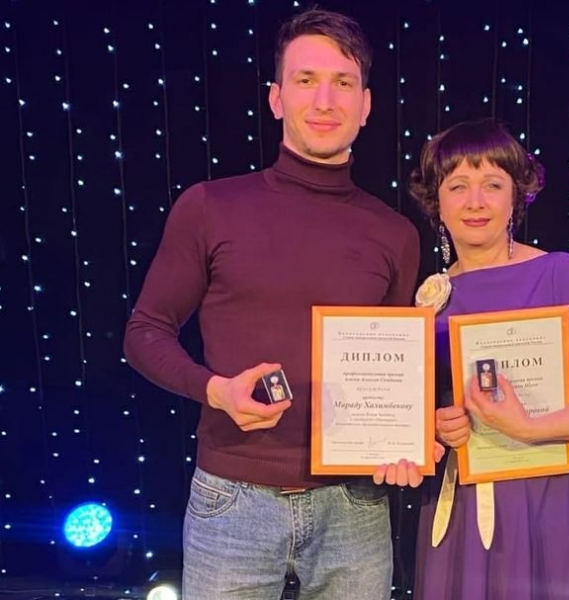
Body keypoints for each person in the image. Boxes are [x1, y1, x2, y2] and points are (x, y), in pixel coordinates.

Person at [123, 8, 421, 600]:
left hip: (355, 506)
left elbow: (397, 370)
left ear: (366, 104)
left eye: (343, 83)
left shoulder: (396, 234)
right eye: (306, 80)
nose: (325, 100)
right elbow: (145, 332)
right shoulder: (209, 207)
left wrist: (406, 442)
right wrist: (215, 390)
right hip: (232, 500)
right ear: (276, 98)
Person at [408, 119, 569, 600]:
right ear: (437, 202)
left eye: (493, 185)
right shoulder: (429, 300)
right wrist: (437, 426)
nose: (475, 202)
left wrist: (529, 428)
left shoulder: (557, 273)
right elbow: (419, 418)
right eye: (458, 186)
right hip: (461, 507)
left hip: (549, 502)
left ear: (516, 195)